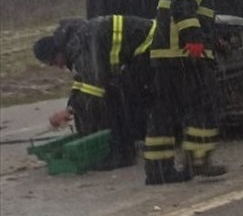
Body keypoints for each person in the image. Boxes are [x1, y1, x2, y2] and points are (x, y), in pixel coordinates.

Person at [144, 0, 229, 185]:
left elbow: (192, 12)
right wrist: (194, 41)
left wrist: (213, 39)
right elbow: (183, 5)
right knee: (204, 103)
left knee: (165, 112)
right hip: (183, 54)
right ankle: (199, 159)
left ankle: (159, 170)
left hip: (166, 54)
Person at [33, 15, 155, 170]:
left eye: (54, 62)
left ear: (58, 52)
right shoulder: (74, 42)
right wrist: (70, 108)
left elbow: (94, 87)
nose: (58, 66)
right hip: (143, 48)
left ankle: (122, 153)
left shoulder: (80, 46)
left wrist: (72, 111)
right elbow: (82, 81)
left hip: (151, 45)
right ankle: (130, 141)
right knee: (114, 89)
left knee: (114, 94)